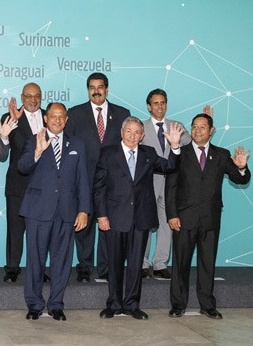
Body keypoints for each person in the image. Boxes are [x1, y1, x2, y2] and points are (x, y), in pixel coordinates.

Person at [94, 116, 183, 320]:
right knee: (114, 264)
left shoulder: (149, 153)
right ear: (122, 133)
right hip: (115, 218)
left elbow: (170, 166)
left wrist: (175, 146)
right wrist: (101, 215)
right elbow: (98, 187)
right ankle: (114, 304)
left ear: (142, 136)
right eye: (129, 131)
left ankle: (132, 304)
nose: (133, 136)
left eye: (137, 132)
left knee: (136, 264)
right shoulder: (108, 153)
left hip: (141, 218)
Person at [166, 113, 250, 319]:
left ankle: (207, 304)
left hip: (210, 219)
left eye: (202, 127)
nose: (197, 130)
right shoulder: (179, 153)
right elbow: (171, 187)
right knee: (180, 263)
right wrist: (172, 215)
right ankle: (178, 304)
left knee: (207, 263)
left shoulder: (222, 155)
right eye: (194, 126)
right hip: (184, 218)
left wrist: (241, 167)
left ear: (211, 131)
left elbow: (241, 179)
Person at [18, 102, 90, 321]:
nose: (57, 120)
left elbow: (83, 179)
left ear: (66, 120)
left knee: (62, 260)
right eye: (53, 116)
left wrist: (84, 210)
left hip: (66, 212)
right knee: (35, 260)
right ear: (45, 119)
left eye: (61, 117)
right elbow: (22, 167)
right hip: (38, 210)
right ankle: (34, 304)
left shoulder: (76, 143)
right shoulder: (34, 140)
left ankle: (56, 304)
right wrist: (37, 153)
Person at [65, 72, 131, 283]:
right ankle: (84, 267)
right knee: (83, 227)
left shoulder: (122, 114)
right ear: (88, 90)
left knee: (107, 226)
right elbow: (69, 146)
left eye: (100, 87)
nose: (96, 91)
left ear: (107, 89)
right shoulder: (75, 114)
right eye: (92, 87)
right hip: (83, 180)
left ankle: (105, 268)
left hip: (111, 184)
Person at [140, 89, 192, 279]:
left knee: (167, 223)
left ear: (166, 105)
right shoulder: (141, 127)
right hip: (147, 182)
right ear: (149, 106)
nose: (160, 106)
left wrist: (207, 124)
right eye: (156, 103)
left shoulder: (176, 126)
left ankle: (160, 263)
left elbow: (193, 141)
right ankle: (142, 264)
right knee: (144, 223)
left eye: (163, 102)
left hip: (171, 184)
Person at [0, 82, 46, 283]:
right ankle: (12, 268)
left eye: (36, 96)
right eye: (28, 96)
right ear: (22, 97)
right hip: (18, 183)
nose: (33, 100)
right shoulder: (9, 118)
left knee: (40, 231)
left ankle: (39, 269)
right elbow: (11, 146)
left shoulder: (50, 117)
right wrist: (14, 123)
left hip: (44, 184)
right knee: (15, 228)